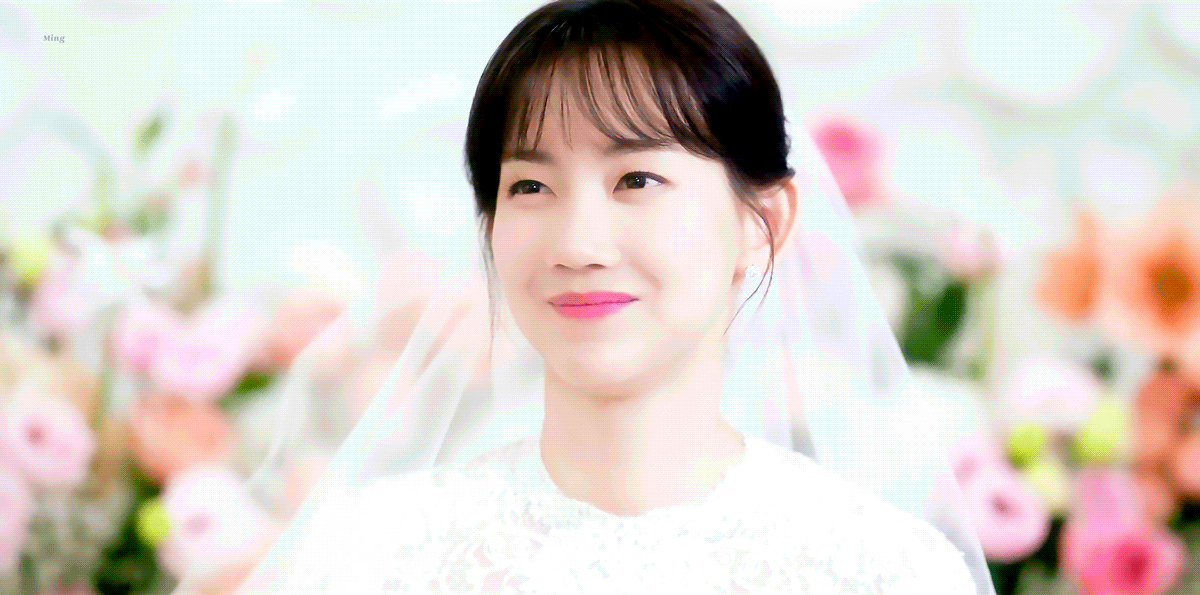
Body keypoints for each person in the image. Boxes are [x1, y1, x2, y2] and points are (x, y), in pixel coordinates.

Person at [180, 1, 996, 593]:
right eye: (531, 186)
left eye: (636, 178)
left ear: (764, 223)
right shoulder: (364, 556)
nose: (578, 244)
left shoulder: (886, 570)